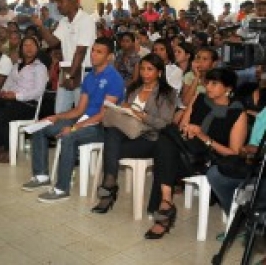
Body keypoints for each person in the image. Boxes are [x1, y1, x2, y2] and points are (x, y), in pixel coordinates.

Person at [145, 68, 246, 239]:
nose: (208, 87)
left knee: (164, 152)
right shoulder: (199, 99)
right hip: (186, 151)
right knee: (166, 145)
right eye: (207, 82)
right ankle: (166, 201)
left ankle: (164, 206)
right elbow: (182, 128)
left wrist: (203, 137)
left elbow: (233, 153)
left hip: (210, 160)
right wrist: (187, 131)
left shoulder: (237, 113)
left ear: (228, 88)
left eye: (214, 84)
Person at [21, 37, 124, 202]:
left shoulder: (114, 78)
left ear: (109, 56)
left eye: (99, 52)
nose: (94, 55)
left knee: (69, 136)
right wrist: (56, 117)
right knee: (41, 128)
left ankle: (62, 189)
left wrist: (75, 127)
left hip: (101, 127)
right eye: (93, 50)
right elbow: (79, 109)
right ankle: (41, 176)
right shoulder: (90, 77)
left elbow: (104, 115)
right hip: (84, 120)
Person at [91, 54, 176, 213]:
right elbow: (126, 112)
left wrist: (141, 115)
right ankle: (109, 185)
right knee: (112, 132)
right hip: (127, 133)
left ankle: (108, 189)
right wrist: (123, 108)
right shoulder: (133, 88)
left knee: (111, 146)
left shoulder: (167, 93)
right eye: (142, 69)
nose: (145, 73)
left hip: (149, 139)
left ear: (159, 72)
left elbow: (165, 123)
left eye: (150, 69)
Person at [0, 37, 48, 163]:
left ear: (37, 48)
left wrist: (16, 96)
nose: (28, 48)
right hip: (10, 101)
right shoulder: (16, 65)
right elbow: (8, 83)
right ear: (21, 49)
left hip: (28, 104)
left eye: (32, 45)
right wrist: (4, 92)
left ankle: (9, 149)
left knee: (1, 116)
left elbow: (38, 91)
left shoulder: (39, 67)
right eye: (25, 45)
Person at [32, 0, 96, 114]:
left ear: (73, 1)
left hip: (83, 72)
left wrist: (71, 76)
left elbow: (81, 51)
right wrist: (40, 26)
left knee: (80, 112)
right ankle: (61, 134)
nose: (57, 5)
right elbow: (52, 41)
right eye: (56, 1)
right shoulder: (64, 21)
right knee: (60, 111)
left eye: (61, 1)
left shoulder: (85, 20)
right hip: (68, 70)